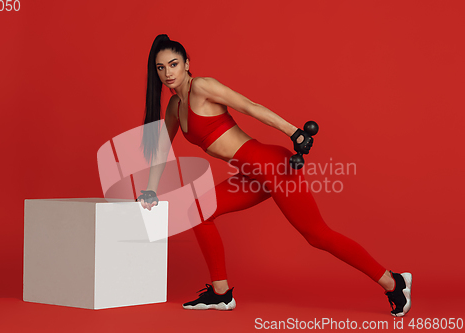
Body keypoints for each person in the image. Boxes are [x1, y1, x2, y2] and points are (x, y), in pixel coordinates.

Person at [136, 34, 412, 316]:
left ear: (186, 63)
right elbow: (161, 149)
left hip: (271, 166)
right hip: (250, 173)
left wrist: (294, 131)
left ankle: (393, 281)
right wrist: (150, 190)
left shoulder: (203, 87)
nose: (168, 73)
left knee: (317, 235)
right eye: (161, 68)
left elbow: (250, 106)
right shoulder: (174, 107)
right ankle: (221, 294)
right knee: (198, 210)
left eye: (173, 64)